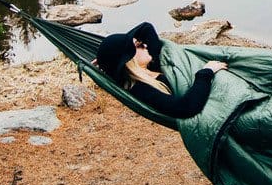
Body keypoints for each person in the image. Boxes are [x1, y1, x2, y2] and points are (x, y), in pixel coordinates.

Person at [94, 22, 227, 118]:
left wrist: (107, 57)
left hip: (216, 78)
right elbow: (185, 108)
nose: (145, 45)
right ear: (128, 59)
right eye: (139, 45)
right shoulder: (141, 88)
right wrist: (206, 72)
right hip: (217, 101)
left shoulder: (153, 64)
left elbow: (146, 28)